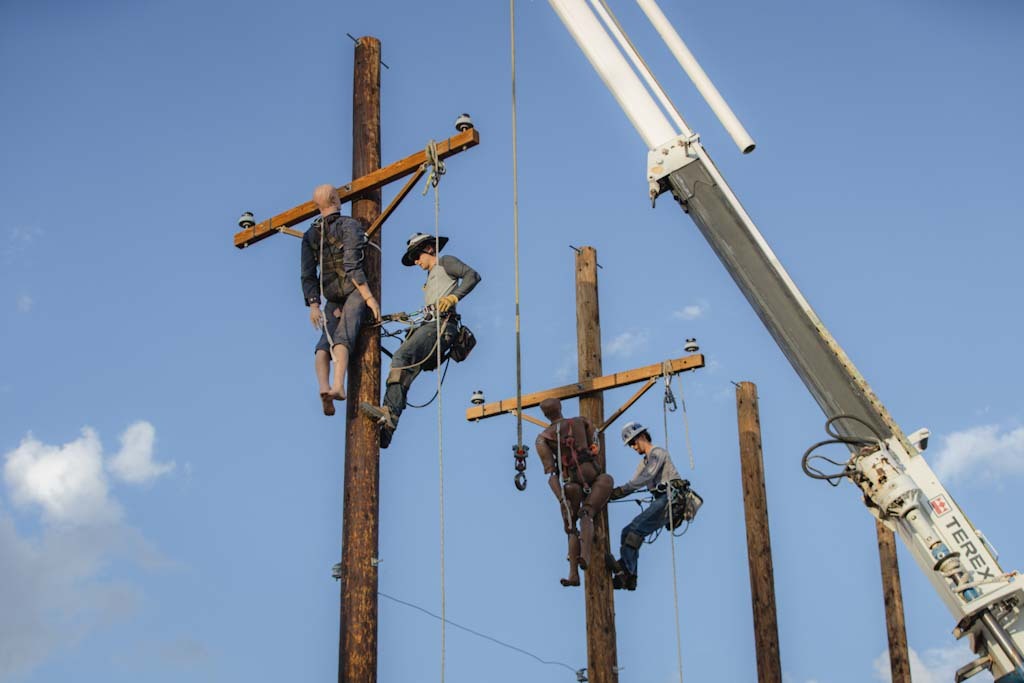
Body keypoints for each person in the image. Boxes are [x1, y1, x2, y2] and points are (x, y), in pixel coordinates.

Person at [360, 232, 480, 448]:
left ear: (430, 248)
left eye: (417, 255)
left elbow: (473, 275)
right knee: (404, 368)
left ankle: (388, 413)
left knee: (402, 357)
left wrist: (454, 297)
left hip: (442, 326)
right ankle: (388, 425)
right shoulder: (430, 278)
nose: (416, 261)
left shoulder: (445, 262)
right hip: (430, 325)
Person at [300, 184, 380, 416]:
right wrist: (369, 298)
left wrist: (314, 305)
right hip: (351, 289)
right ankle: (337, 386)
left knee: (324, 343)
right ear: (335, 198)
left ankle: (323, 387)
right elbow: (352, 265)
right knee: (343, 336)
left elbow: (307, 274)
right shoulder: (349, 226)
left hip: (330, 295)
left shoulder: (310, 235)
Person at [534, 398, 614, 587]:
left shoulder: (543, 438)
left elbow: (551, 473)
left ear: (545, 415)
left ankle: (574, 573)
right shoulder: (581, 421)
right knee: (588, 512)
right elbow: (596, 441)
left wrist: (561, 499)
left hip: (572, 484)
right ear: (560, 408)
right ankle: (583, 556)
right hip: (594, 477)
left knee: (571, 526)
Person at [608, 420, 685, 590]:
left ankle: (626, 569)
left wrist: (618, 492)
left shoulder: (657, 453)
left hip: (671, 498)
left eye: (633, 442)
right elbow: (634, 482)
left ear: (642, 436)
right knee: (627, 532)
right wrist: (611, 494)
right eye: (630, 445)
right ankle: (630, 577)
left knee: (636, 528)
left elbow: (643, 479)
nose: (633, 447)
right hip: (661, 500)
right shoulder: (644, 462)